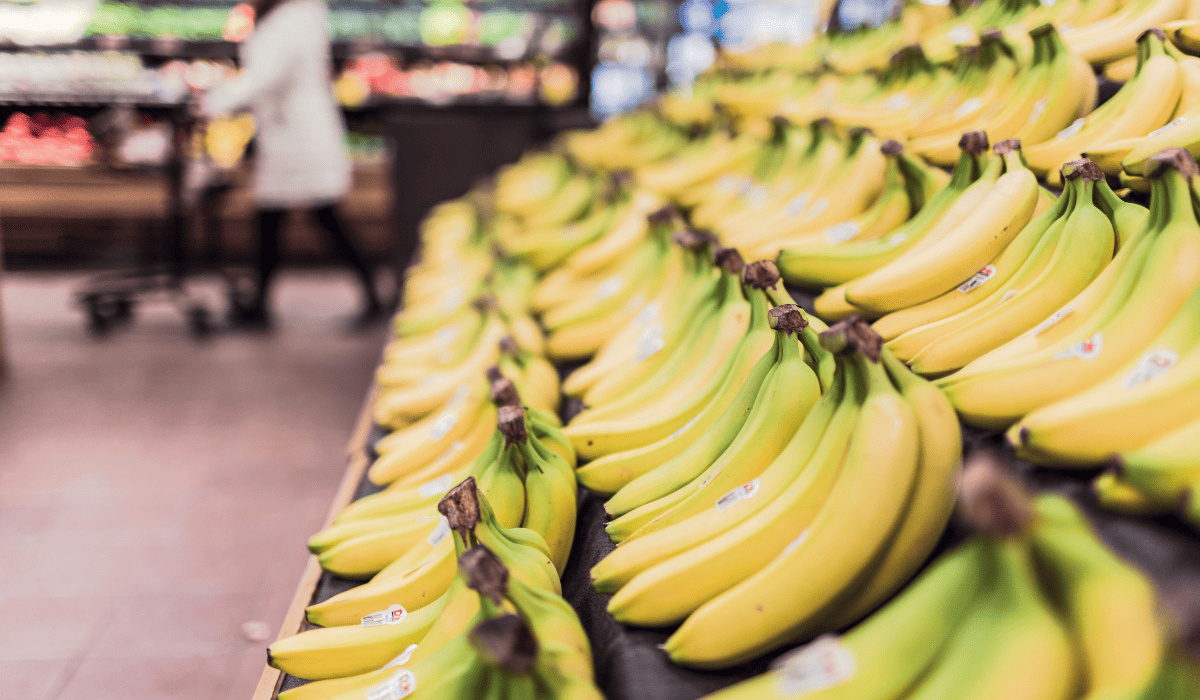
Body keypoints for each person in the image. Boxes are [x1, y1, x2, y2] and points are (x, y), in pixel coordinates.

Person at [198, 0, 387, 327]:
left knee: (318, 216)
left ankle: (370, 294)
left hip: (300, 137)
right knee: (276, 219)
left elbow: (267, 75)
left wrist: (214, 100)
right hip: (288, 135)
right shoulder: (292, 16)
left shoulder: (294, 19)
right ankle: (261, 304)